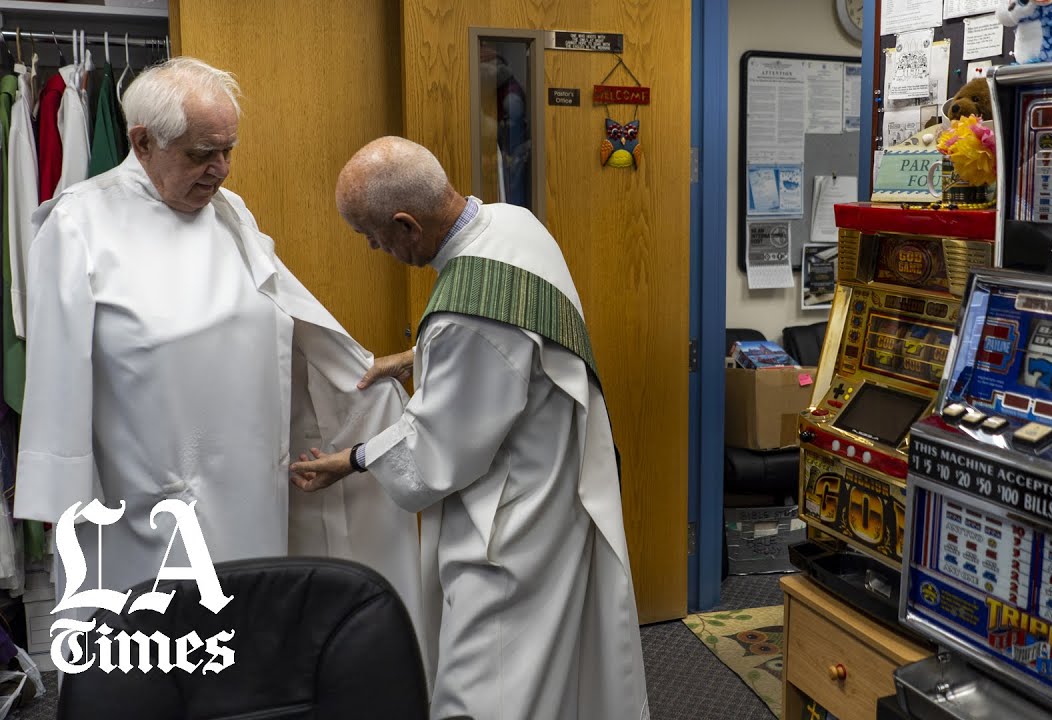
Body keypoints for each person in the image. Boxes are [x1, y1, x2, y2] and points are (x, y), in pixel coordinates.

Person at [14, 58, 423, 645]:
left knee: (249, 642)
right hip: (146, 503)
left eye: (229, 150)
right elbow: (57, 375)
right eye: (203, 154)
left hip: (253, 491)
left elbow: (298, 323)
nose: (221, 169)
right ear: (142, 142)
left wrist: (364, 384)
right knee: (161, 652)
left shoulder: (231, 214)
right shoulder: (79, 224)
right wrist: (64, 503)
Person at [289, 136, 649, 720]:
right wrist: (417, 357)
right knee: (554, 669)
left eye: (373, 236)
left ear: (406, 225)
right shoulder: (515, 225)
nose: (376, 249)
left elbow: (437, 453)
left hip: (511, 522)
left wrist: (350, 459)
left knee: (486, 686)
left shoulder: (465, 315)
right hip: (557, 478)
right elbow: (518, 340)